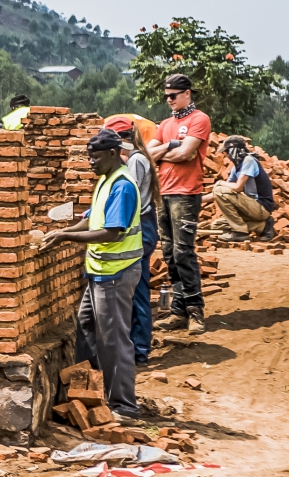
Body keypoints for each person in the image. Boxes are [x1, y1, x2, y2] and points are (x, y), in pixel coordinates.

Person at [41, 129, 143, 419]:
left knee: (114, 339)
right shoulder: (105, 181)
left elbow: (111, 232)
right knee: (85, 330)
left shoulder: (122, 185)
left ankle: (124, 404)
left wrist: (66, 239)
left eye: (95, 158)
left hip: (116, 272)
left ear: (113, 154)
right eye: (88, 157)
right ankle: (87, 394)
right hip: (99, 272)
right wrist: (62, 231)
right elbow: (91, 220)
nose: (90, 163)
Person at [147, 74, 211, 335]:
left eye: (173, 95)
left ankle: (195, 311)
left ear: (187, 93)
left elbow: (186, 153)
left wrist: (165, 151)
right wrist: (169, 148)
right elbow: (147, 154)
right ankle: (178, 310)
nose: (169, 100)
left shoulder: (199, 119)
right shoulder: (165, 124)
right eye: (166, 96)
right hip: (164, 192)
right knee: (170, 254)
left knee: (184, 252)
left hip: (186, 193)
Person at [104, 115, 160, 366]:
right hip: (143, 226)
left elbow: (130, 196)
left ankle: (139, 349)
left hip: (143, 228)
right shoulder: (136, 156)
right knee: (136, 288)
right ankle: (137, 345)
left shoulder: (136, 160)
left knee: (137, 290)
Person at [211, 136, 277, 242]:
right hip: (250, 207)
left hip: (261, 207)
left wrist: (219, 183)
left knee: (219, 190)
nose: (225, 155)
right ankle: (263, 226)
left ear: (233, 150)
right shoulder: (236, 167)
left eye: (226, 152)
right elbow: (221, 191)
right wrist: (198, 200)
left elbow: (237, 187)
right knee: (217, 225)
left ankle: (240, 232)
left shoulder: (249, 161)